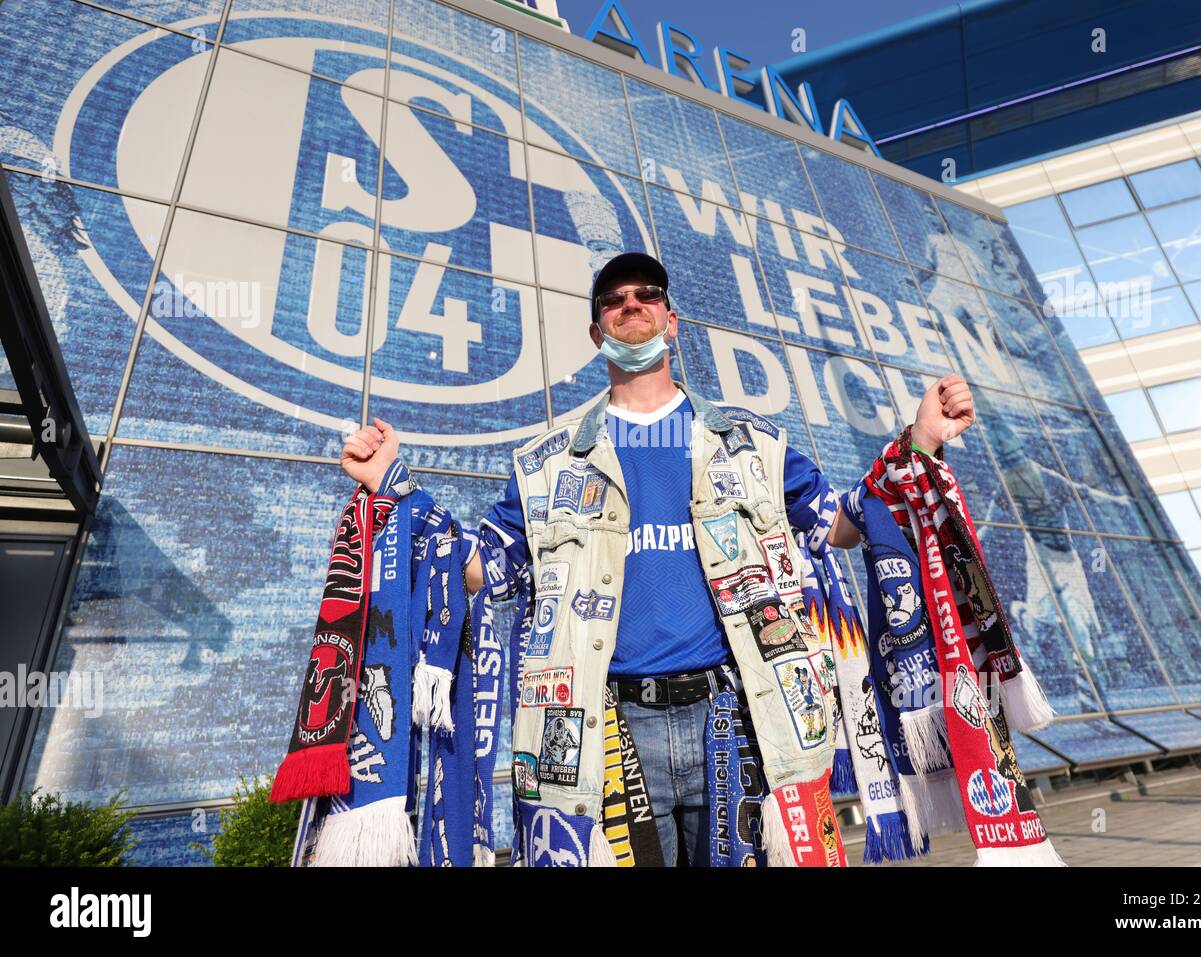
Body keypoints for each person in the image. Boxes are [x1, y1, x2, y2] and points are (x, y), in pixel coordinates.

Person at [337, 252, 976, 867]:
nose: (631, 305)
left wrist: (919, 443)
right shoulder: (545, 465)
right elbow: (482, 568)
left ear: (671, 321)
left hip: (737, 718)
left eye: (647, 295)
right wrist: (395, 488)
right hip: (606, 733)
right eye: (613, 301)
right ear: (597, 332)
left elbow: (840, 525)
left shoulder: (754, 442)